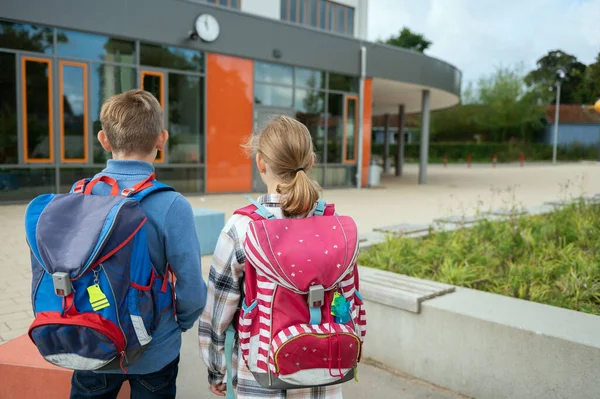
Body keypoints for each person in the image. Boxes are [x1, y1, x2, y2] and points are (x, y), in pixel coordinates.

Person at [69, 89, 207, 398]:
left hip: (92, 339)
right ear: (162, 139)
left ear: (103, 139)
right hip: (153, 348)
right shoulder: (171, 204)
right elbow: (191, 290)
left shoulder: (78, 194)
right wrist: (179, 323)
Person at [199, 116, 347, 399]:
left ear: (261, 163)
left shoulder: (242, 228)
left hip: (261, 375)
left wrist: (216, 368)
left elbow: (217, 311)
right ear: (311, 162)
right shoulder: (334, 225)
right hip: (324, 372)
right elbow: (348, 300)